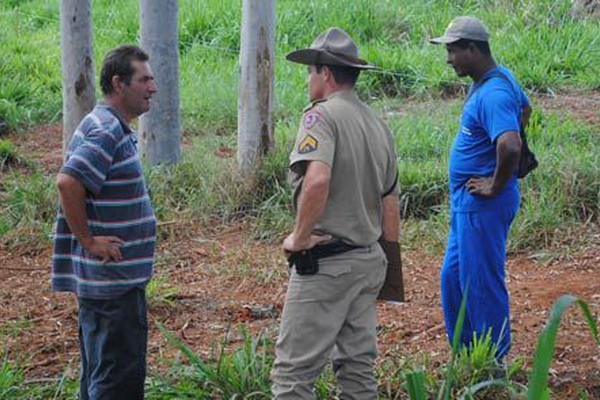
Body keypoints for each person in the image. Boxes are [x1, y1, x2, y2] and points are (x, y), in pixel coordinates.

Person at [270, 27, 400, 399]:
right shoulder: (378, 125)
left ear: (325, 73)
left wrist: (298, 238)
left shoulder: (320, 118)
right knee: (358, 371)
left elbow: (317, 180)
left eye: (311, 71)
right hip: (368, 262)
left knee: (293, 376)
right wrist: (391, 276)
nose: (308, 79)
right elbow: (390, 203)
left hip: (328, 264)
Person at [52, 45, 158, 399]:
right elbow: (68, 182)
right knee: (117, 383)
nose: (152, 87)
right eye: (144, 79)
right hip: (112, 287)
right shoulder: (105, 131)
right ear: (118, 83)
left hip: (113, 286)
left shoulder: (111, 126)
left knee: (102, 378)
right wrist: (89, 241)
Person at [430, 17, 531, 359]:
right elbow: (526, 107)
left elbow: (511, 145)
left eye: (453, 51)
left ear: (472, 49)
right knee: (454, 279)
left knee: (481, 284)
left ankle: (493, 364)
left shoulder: (495, 92)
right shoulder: (495, 81)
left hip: (483, 204)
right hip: (468, 203)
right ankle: (469, 354)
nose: (449, 59)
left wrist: (494, 182)